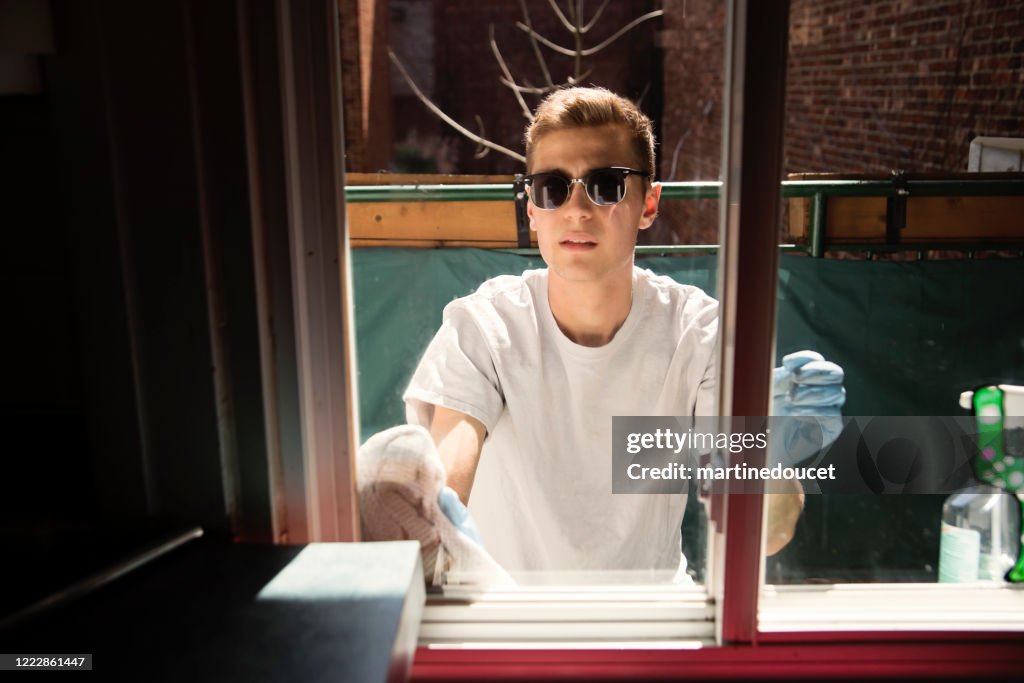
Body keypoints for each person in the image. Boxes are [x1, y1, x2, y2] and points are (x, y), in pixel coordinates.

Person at [358, 86, 843, 584]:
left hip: (648, 624)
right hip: (509, 624)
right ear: (531, 207)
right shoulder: (484, 327)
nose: (576, 209)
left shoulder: (700, 334)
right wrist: (419, 513)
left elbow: (765, 532)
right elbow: (445, 486)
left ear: (649, 203)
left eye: (606, 185)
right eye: (552, 186)